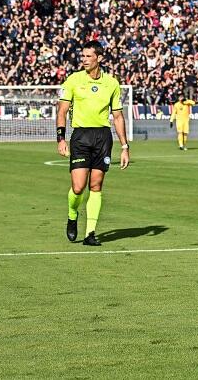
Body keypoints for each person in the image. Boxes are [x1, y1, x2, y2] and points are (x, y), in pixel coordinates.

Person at [56, 40, 130, 246]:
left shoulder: (112, 83)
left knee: (96, 185)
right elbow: (61, 111)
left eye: (88, 56)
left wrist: (125, 146)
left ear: (99, 58)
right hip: (80, 136)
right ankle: (72, 215)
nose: (84, 60)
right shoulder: (73, 80)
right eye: (83, 56)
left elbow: (117, 116)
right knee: (78, 187)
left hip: (103, 137)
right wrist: (61, 138)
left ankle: (90, 233)